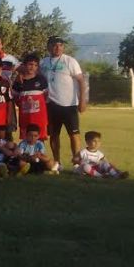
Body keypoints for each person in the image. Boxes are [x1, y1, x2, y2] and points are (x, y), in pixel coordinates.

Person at [40, 36, 87, 172]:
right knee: (54, 135)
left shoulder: (70, 61)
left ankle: (76, 164)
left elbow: (81, 81)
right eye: (55, 45)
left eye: (61, 45)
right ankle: (57, 162)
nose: (58, 48)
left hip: (69, 105)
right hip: (51, 105)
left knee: (74, 135)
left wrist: (82, 101)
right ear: (48, 46)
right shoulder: (44, 62)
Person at [12, 53, 49, 141]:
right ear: (24, 65)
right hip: (25, 117)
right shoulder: (18, 81)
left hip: (39, 117)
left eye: (35, 65)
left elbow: (46, 96)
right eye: (30, 64)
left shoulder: (41, 79)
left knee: (39, 139)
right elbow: (16, 98)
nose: (33, 67)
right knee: (26, 140)